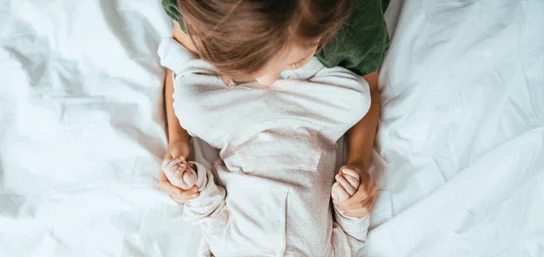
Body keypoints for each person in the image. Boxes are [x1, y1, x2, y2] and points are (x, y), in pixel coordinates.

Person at [157, 35, 376, 257]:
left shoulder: (232, 250)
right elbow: (352, 232)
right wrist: (350, 203)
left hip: (241, 126)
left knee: (191, 107)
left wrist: (190, 181)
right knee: (357, 99)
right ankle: (303, 65)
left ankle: (196, 61)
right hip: (312, 121)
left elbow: (207, 205)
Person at [158, 0, 388, 216]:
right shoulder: (204, 13)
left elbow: (369, 85)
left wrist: (359, 162)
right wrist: (178, 142)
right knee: (190, 106)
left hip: (325, 86)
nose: (267, 81)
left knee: (358, 98)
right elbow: (180, 59)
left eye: (296, 61)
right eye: (246, 67)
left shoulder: (357, 24)